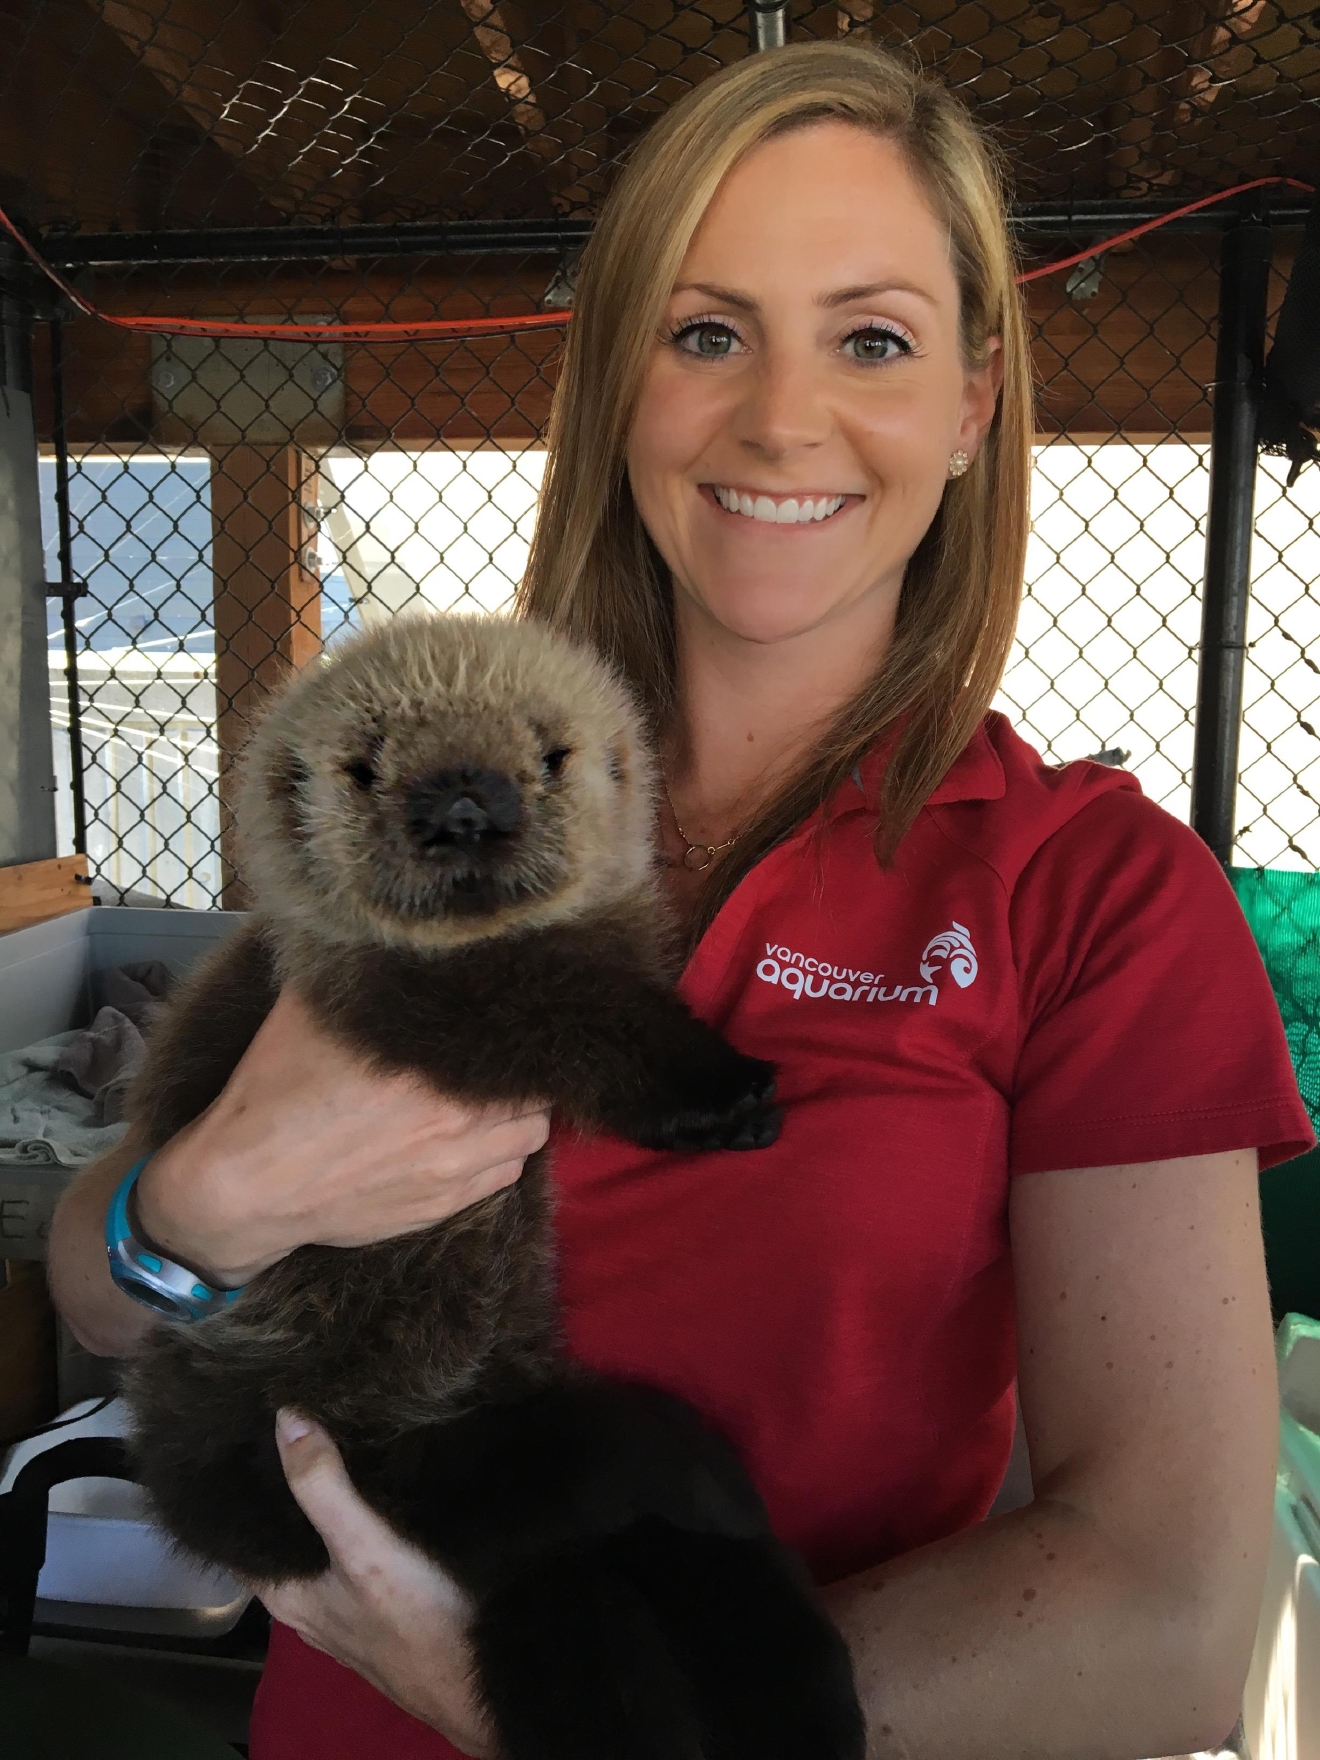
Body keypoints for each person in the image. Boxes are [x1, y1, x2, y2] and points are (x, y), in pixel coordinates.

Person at [49, 39, 1311, 1760]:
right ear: (618, 383)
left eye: (870, 338)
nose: (780, 418)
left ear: (970, 398)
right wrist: (195, 1206)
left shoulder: (1086, 888)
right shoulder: (433, 785)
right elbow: (95, 1284)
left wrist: (583, 1714)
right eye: (705, 332)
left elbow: (1172, 1622)